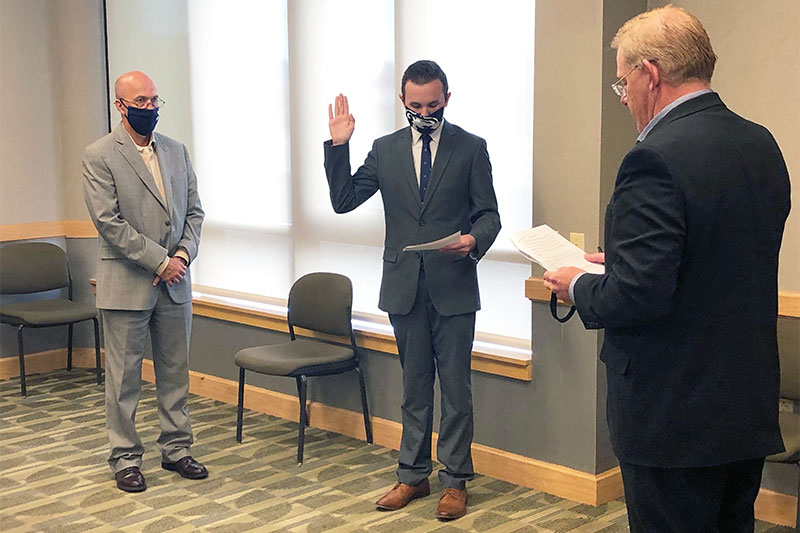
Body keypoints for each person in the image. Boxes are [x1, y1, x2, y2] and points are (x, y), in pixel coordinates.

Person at [543, 6, 791, 532]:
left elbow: (635, 299)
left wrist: (577, 283)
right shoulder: (760, 144)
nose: (625, 97)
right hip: (742, 406)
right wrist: (630, 259)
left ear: (648, 74)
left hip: (674, 419)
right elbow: (720, 256)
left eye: (622, 84)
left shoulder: (653, 159)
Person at [324, 60, 500, 519]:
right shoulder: (385, 151)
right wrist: (339, 147)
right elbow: (343, 201)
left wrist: (474, 240)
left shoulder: (470, 148)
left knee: (457, 389)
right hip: (404, 286)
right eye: (416, 105)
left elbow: (490, 215)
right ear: (403, 101)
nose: (425, 112)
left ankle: (456, 480)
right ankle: (412, 475)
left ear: (447, 99)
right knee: (414, 386)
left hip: (454, 286)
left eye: (434, 105)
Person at [82, 71, 207, 493]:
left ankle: (177, 448)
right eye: (141, 102)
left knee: (176, 372)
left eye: (155, 101)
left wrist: (183, 256)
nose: (150, 109)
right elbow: (108, 223)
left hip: (177, 283)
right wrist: (160, 262)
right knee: (124, 380)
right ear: (121, 106)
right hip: (127, 283)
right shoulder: (99, 155)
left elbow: (195, 213)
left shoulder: (176, 151)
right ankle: (125, 458)